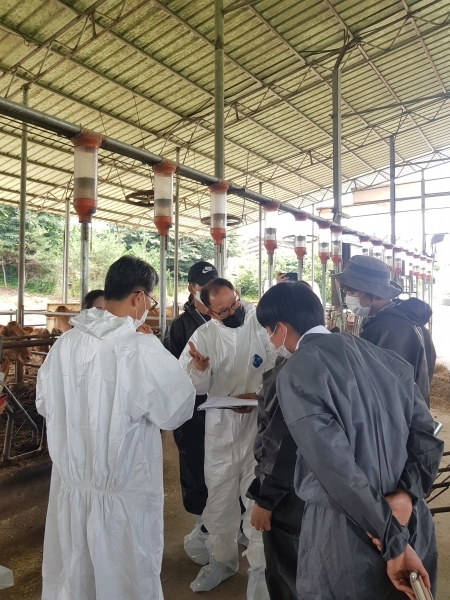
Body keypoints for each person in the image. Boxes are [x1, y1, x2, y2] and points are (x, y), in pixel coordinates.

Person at [256, 281, 443, 600]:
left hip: (347, 531)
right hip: (408, 519)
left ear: (282, 328)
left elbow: (335, 468)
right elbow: (427, 437)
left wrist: (391, 540)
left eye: (269, 332)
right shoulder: (384, 358)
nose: (271, 342)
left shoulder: (297, 372)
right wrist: (407, 495)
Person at [36, 256, 196, 600]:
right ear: (138, 296)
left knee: (75, 577)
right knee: (123, 580)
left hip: (70, 488)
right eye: (150, 301)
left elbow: (45, 404)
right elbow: (176, 410)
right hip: (123, 494)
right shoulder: (136, 348)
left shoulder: (65, 344)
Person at [179, 278, 275, 600]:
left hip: (256, 433)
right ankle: (223, 562)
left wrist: (258, 397)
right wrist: (199, 369)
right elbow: (192, 387)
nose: (233, 312)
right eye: (223, 311)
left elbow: (280, 372)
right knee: (219, 500)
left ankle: (260, 572)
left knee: (255, 503)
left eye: (235, 304)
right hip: (220, 432)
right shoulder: (203, 336)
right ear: (209, 311)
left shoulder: (260, 329)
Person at [163, 261, 218, 564]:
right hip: (193, 412)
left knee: (221, 467)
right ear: (192, 288)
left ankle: (222, 526)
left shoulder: (228, 319)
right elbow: (173, 371)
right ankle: (201, 528)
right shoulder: (181, 326)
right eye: (203, 285)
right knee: (196, 467)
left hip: (222, 410)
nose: (208, 291)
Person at [333, 255, 436, 405]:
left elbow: (387, 384)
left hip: (397, 416)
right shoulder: (399, 317)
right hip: (411, 410)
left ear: (373, 291)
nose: (349, 300)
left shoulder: (392, 329)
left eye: (352, 293)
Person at [247, 356, 303, 600]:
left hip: (290, 495)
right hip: (331, 495)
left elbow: (283, 444)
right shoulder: (360, 357)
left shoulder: (287, 375)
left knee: (288, 569)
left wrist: (266, 498)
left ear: (280, 328)